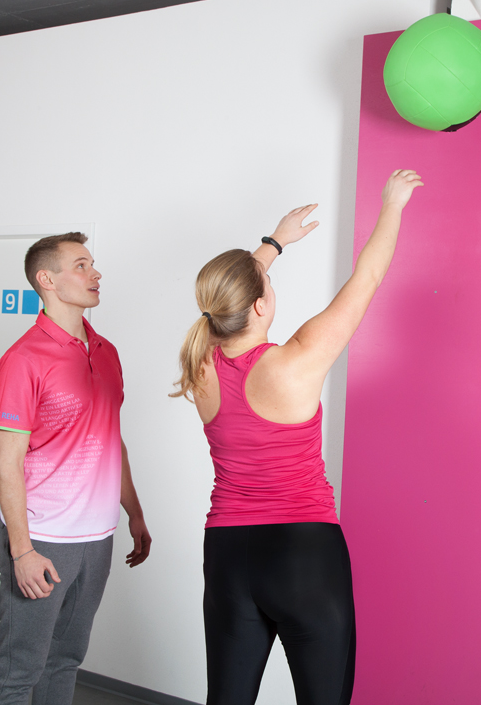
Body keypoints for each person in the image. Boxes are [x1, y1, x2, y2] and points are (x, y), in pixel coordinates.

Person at [172, 170, 423, 705]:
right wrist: (392, 204)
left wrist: (272, 244)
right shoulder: (297, 361)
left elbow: (229, 298)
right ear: (261, 307)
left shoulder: (200, 364)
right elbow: (368, 277)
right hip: (302, 555)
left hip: (227, 554)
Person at [0, 232, 151, 705]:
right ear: (47, 279)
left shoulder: (106, 351)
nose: (95, 273)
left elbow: (111, 438)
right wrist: (22, 551)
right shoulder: (23, 360)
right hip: (43, 539)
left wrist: (134, 513)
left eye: (92, 263)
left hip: (98, 537)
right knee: (20, 669)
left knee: (66, 659)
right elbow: (7, 463)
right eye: (81, 265)